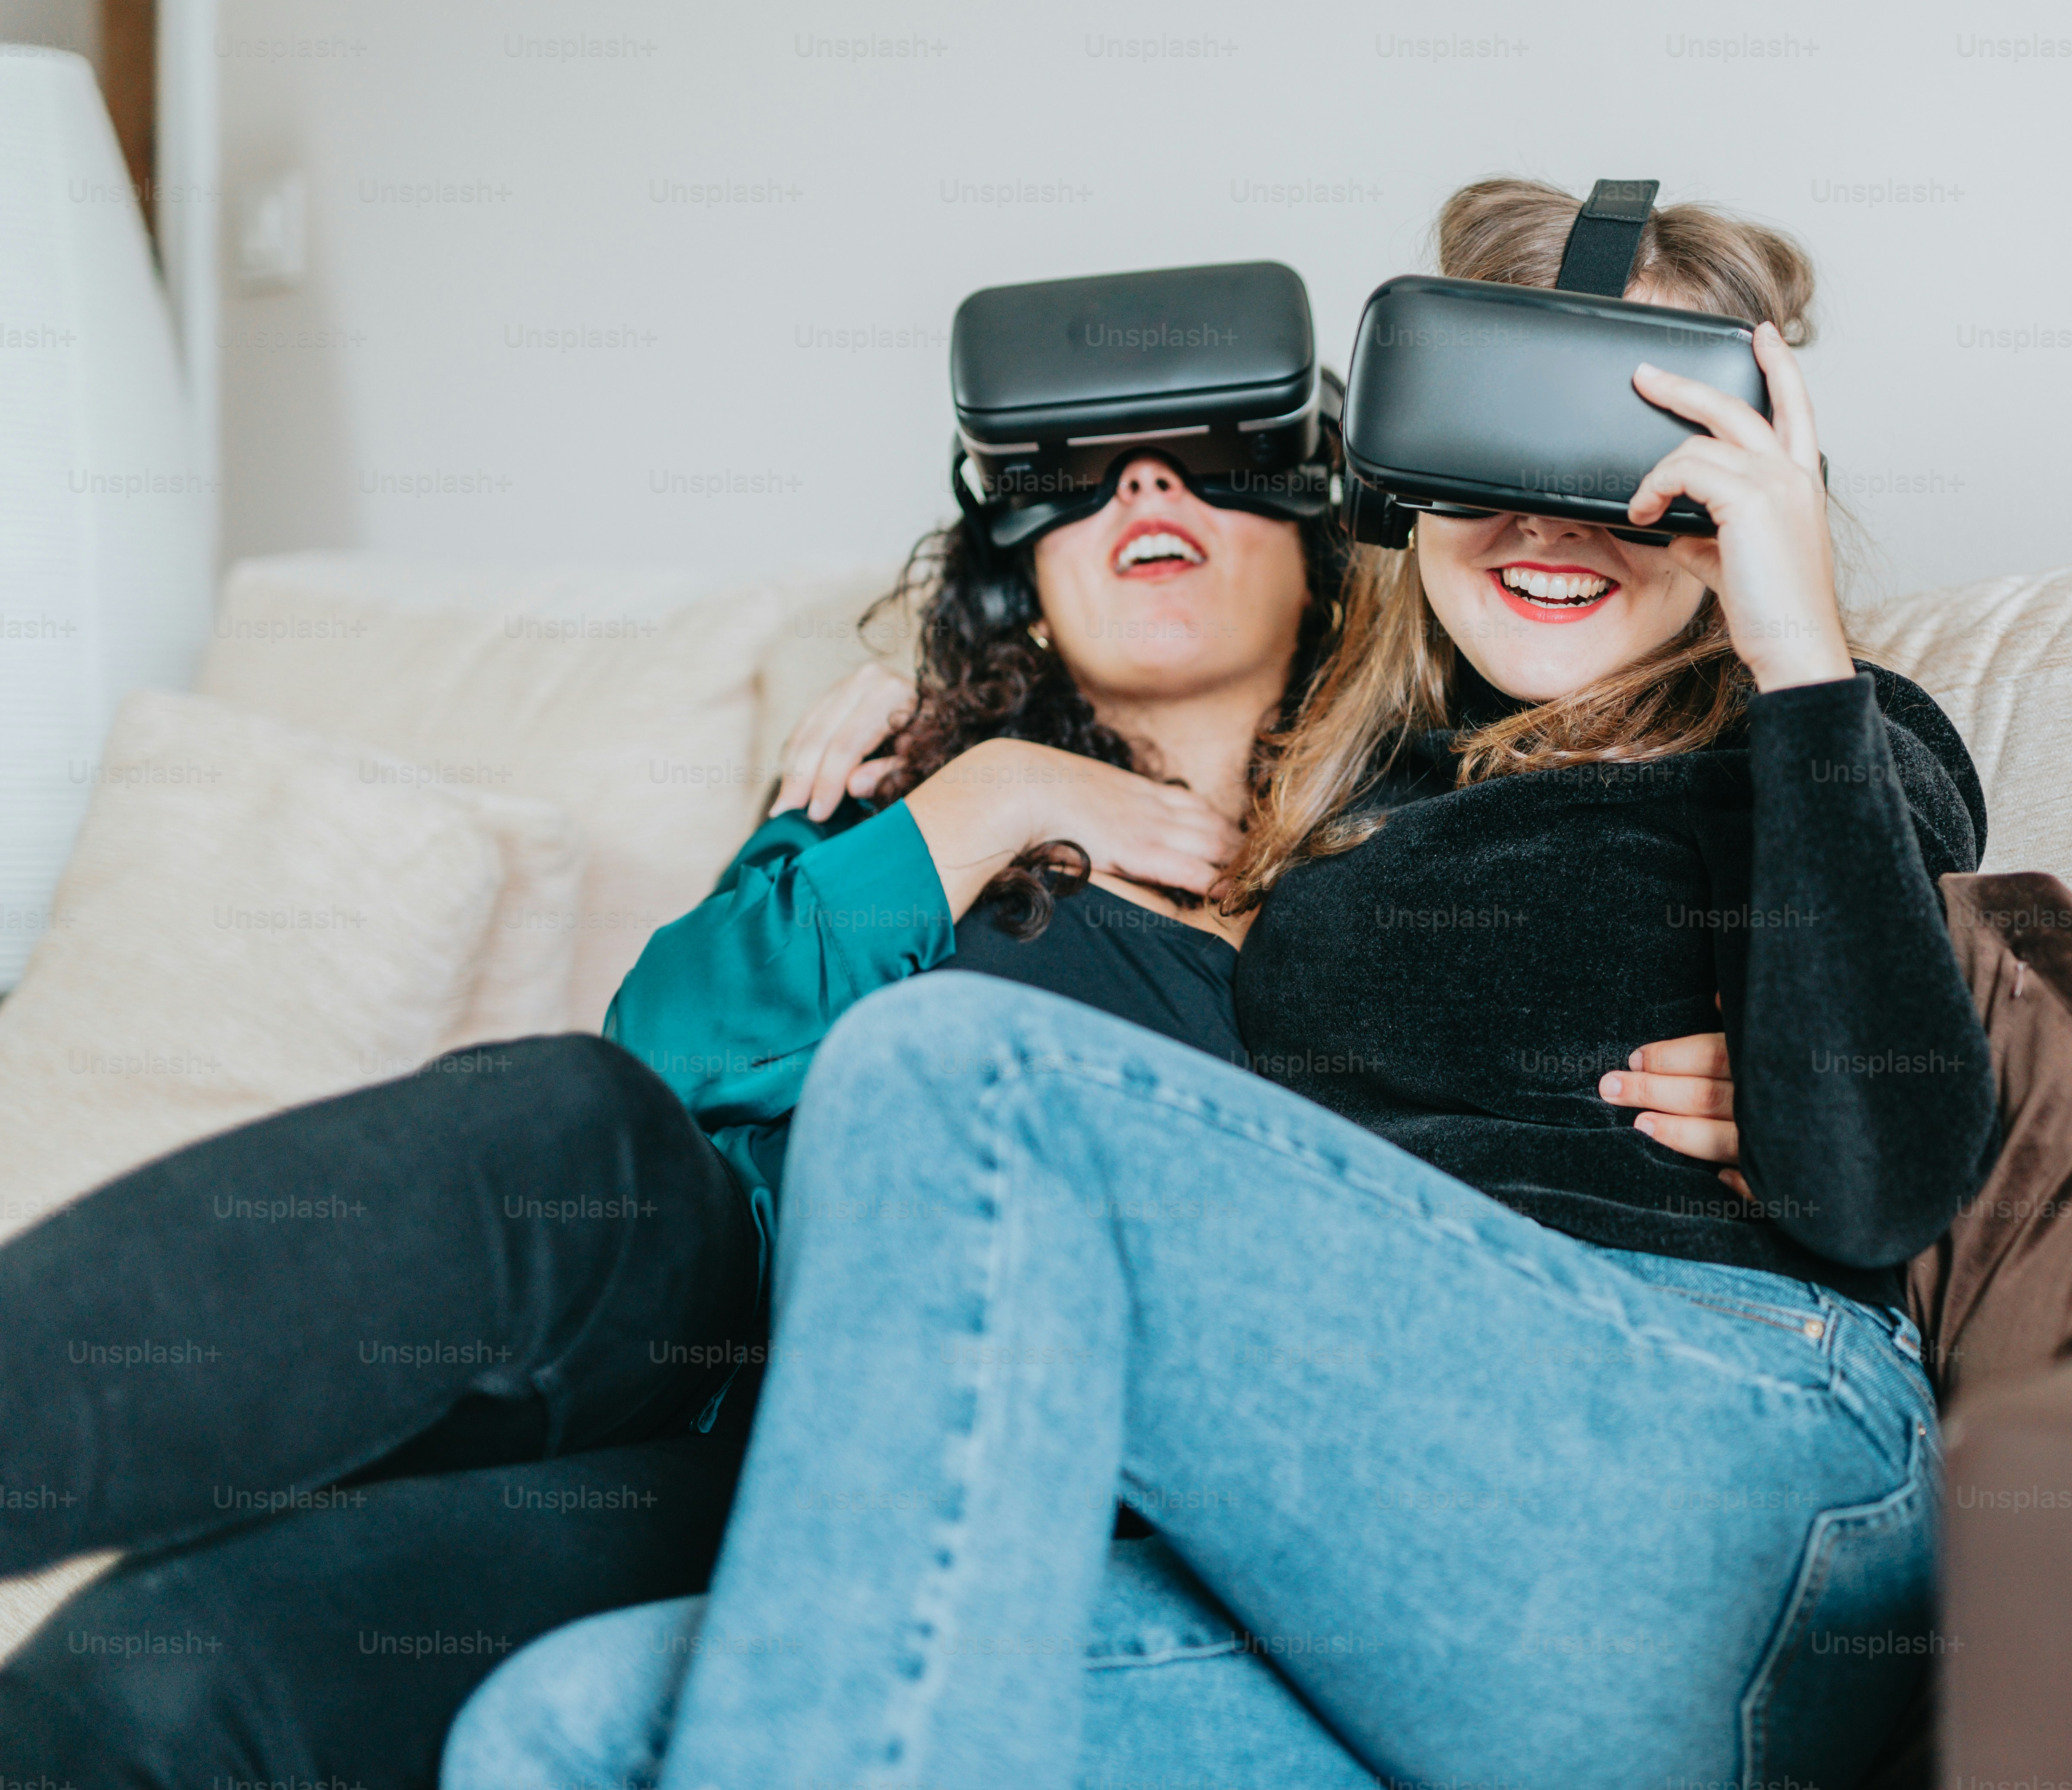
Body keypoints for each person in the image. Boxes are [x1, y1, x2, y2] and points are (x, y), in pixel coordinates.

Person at [444, 178, 1999, 1790]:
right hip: (1399, 1587)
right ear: (1404, 483)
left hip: (1719, 1482)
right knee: (566, 1731)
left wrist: (1796, 653)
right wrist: (935, 789)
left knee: (955, 1071)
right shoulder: (1360, 794)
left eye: (1635, 475)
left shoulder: (1818, 733)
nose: (1550, 524)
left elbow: (1882, 1176)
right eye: (1495, 459)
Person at [0, 434, 1756, 1787]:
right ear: (1019, 571)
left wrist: (1779, 1079)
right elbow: (664, 1066)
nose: (1147, 483)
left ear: (1325, 550)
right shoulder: (910, 800)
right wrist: (973, 806)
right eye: (1075, 472)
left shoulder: (1466, 863)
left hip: (942, 1463)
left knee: (144, 1674)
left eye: (1213, 457)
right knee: (564, 1123)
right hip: (699, 1329)